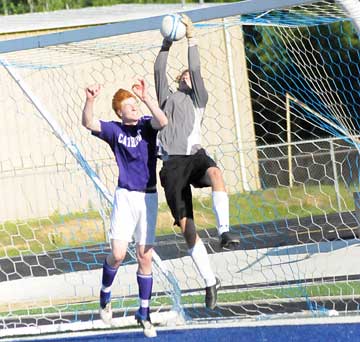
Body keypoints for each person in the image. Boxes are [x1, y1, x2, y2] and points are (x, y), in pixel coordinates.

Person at [154, 14, 240, 310]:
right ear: (178, 80)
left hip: (195, 156)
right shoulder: (167, 98)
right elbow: (158, 69)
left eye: (191, 75)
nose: (188, 76)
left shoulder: (198, 98)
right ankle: (209, 281)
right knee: (187, 227)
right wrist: (167, 42)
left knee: (215, 172)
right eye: (184, 75)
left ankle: (224, 232)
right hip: (172, 166)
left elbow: (196, 68)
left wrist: (191, 38)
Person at [82, 78, 168, 338]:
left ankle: (144, 312)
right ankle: (105, 295)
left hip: (149, 197)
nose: (133, 108)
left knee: (145, 256)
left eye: (134, 103)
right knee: (118, 254)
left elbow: (163, 121)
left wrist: (146, 98)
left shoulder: (146, 125)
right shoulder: (115, 131)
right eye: (129, 105)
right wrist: (90, 99)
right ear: (119, 111)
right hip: (125, 196)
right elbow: (88, 122)